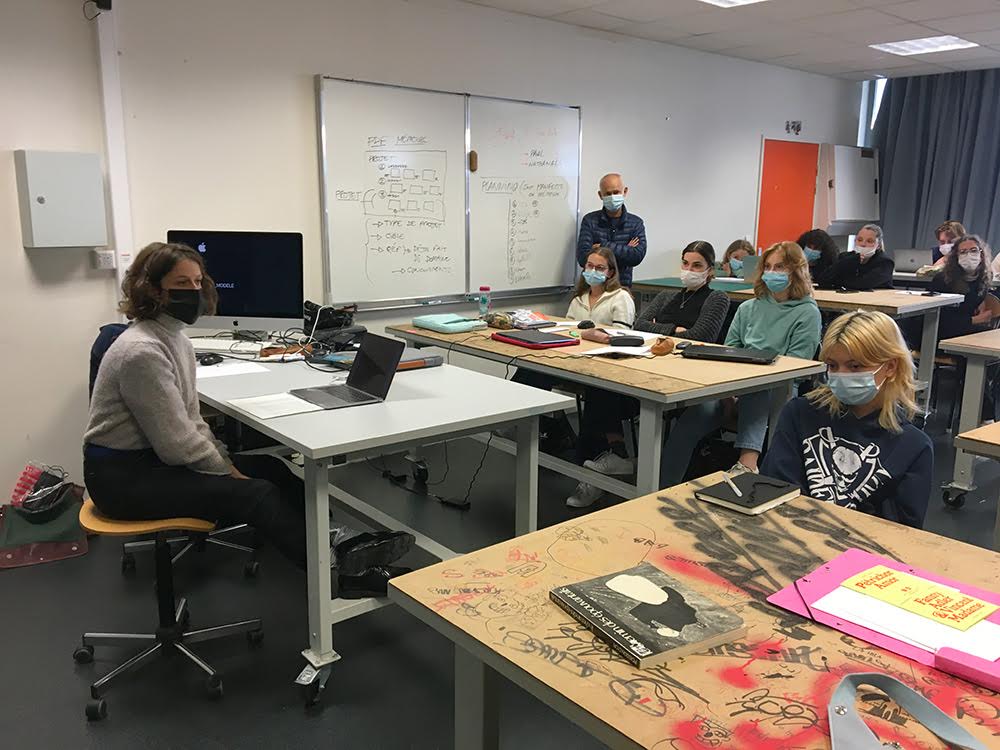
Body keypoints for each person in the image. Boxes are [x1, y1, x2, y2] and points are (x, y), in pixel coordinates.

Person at [84, 242, 414, 597]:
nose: (193, 291)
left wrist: (223, 458)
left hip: (155, 461)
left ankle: (339, 543)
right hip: (122, 480)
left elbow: (192, 421)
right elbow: (176, 444)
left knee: (273, 469)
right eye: (181, 283)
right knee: (256, 494)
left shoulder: (175, 339)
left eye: (197, 282)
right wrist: (227, 470)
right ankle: (341, 576)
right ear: (152, 289)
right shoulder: (141, 351)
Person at [566, 242, 730, 508]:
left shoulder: (717, 298)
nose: (689, 270)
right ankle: (608, 460)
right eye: (685, 263)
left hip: (686, 376)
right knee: (599, 384)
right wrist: (675, 330)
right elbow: (639, 325)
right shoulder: (666, 296)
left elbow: (702, 336)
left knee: (606, 394)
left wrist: (661, 329)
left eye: (697, 265)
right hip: (648, 365)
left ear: (710, 270)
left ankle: (610, 468)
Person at [659, 241, 821, 487]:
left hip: (779, 391)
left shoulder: (807, 312)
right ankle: (661, 487)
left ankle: (747, 463)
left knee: (759, 386)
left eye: (780, 267)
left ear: (796, 271)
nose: (772, 272)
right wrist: (728, 394)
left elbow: (796, 368)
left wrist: (743, 386)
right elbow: (729, 352)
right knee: (693, 417)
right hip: (733, 387)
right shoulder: (748, 307)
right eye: (768, 266)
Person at [761, 310, 932, 528]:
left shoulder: (912, 446)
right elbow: (775, 488)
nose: (841, 375)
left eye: (855, 366)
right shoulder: (799, 414)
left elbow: (902, 530)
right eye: (832, 365)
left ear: (890, 367)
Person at [510, 247, 634, 452]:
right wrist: (580, 335)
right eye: (590, 266)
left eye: (600, 268)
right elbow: (567, 331)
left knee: (599, 389)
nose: (593, 271)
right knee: (532, 368)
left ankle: (600, 451)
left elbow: (622, 335)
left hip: (604, 364)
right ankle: (516, 420)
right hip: (573, 361)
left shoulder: (620, 297)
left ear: (610, 272)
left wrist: (593, 336)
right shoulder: (579, 299)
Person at [576, 173, 646, 288]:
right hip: (593, 288)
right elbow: (583, 258)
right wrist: (625, 250)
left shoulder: (636, 223)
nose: (612, 197)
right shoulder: (590, 221)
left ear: (625, 191)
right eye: (608, 194)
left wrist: (602, 246)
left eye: (616, 192)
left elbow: (636, 257)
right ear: (600, 195)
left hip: (622, 288)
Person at [929, 234, 1000, 341]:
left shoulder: (983, 278)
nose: (969, 255)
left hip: (967, 327)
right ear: (956, 256)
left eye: (973, 250)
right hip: (941, 331)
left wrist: (982, 303)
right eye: (963, 252)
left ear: (981, 254)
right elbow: (940, 319)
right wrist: (975, 320)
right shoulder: (943, 280)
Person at [817, 224, 894, 290]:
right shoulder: (845, 257)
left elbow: (862, 284)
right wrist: (849, 261)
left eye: (869, 241)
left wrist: (838, 282)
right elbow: (823, 279)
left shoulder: (885, 262)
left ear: (878, 245)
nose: (863, 244)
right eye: (859, 240)